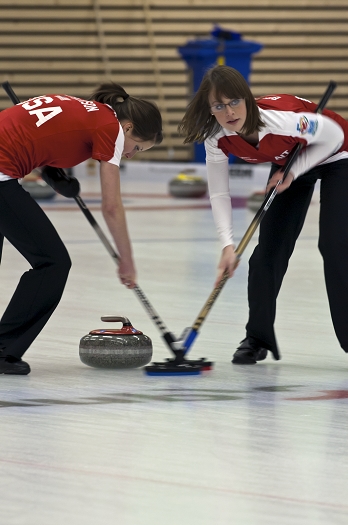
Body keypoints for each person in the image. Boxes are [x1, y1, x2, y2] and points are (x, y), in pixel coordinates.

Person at [178, 65, 348, 365]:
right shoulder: (216, 136)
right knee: (267, 253)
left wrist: (293, 171)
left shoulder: (279, 120)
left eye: (234, 101)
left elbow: (333, 136)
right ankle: (257, 337)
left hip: (337, 155)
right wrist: (227, 246)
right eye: (218, 106)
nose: (229, 112)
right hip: (289, 158)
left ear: (246, 98)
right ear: (210, 110)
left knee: (335, 246)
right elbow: (219, 192)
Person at [0, 82, 162, 374]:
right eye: (137, 147)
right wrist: (126, 258)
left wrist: (54, 176)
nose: (131, 154)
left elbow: (40, 134)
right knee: (53, 263)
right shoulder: (110, 128)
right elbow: (112, 207)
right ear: (127, 128)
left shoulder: (88, 110)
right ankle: (3, 350)